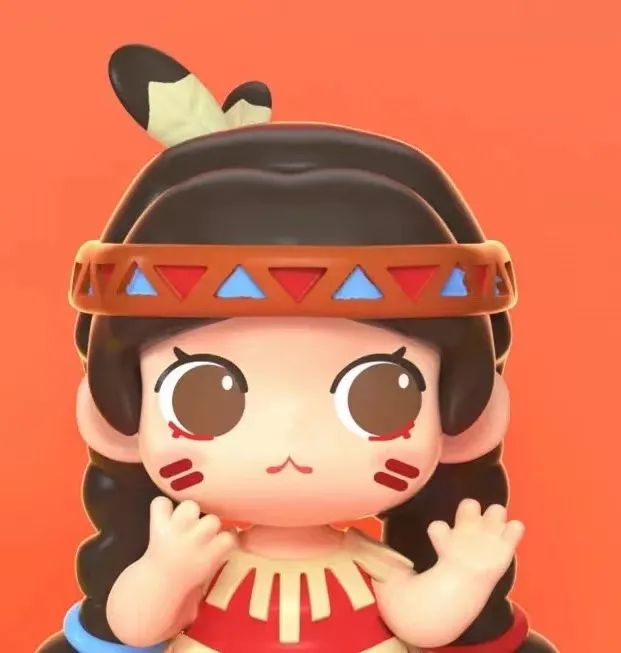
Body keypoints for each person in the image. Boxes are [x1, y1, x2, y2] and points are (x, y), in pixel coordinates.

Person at [38, 44, 557, 653]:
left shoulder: (374, 568)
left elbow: (422, 622)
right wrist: (164, 572)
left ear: (467, 417)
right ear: (114, 416)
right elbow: (134, 627)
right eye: (203, 396)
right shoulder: (202, 561)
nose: (291, 439)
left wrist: (464, 574)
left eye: (379, 396)